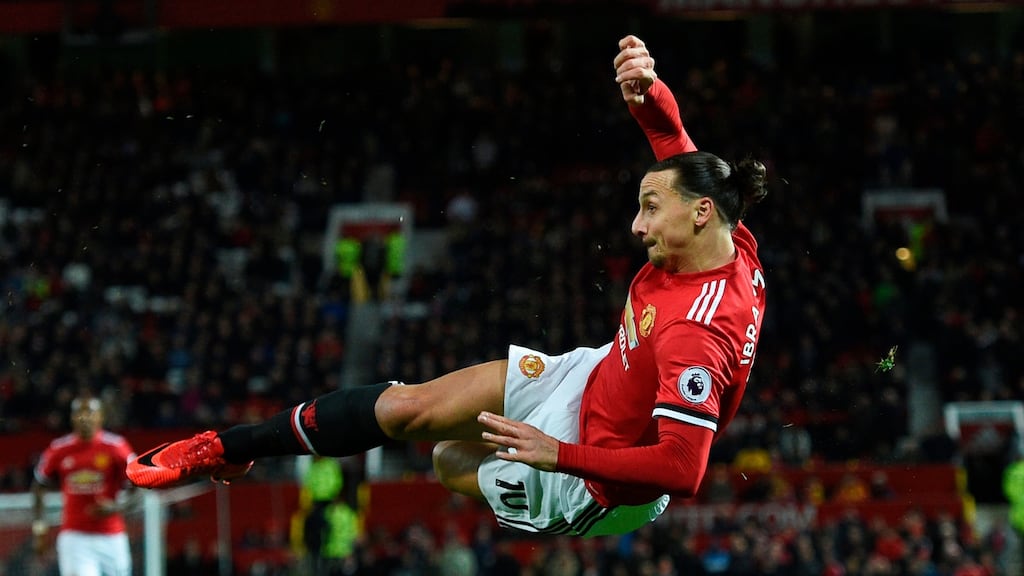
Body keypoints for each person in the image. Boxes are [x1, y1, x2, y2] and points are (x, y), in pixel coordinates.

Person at [127, 34, 768, 537]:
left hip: (595, 481)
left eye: (649, 208)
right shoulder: (726, 235)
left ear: (699, 213)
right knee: (411, 410)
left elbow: (683, 471)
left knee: (446, 460)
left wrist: (556, 453)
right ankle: (227, 448)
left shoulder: (694, 334)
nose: (636, 225)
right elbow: (672, 144)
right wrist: (649, 91)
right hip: (594, 377)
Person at [33, 395, 137, 576]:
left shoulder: (116, 447)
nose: (84, 417)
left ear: (101, 417)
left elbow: (139, 487)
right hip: (75, 538)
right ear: (71, 418)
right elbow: (38, 486)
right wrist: (40, 529)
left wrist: (117, 507)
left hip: (112, 536)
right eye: (79, 413)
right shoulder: (59, 449)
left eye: (90, 412)